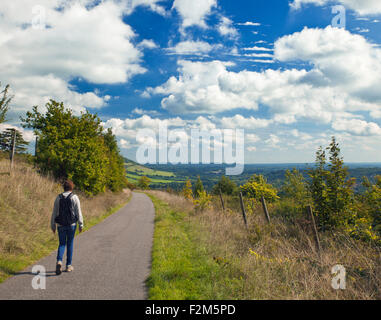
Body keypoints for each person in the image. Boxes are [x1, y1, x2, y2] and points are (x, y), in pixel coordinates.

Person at [51, 180, 84, 275]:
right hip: (71, 225)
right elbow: (78, 212)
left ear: (64, 188)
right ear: (71, 187)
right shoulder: (74, 197)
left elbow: (54, 212)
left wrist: (53, 225)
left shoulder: (58, 197)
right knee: (70, 244)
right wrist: (81, 224)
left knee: (61, 244)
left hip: (60, 225)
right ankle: (68, 265)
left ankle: (59, 261)